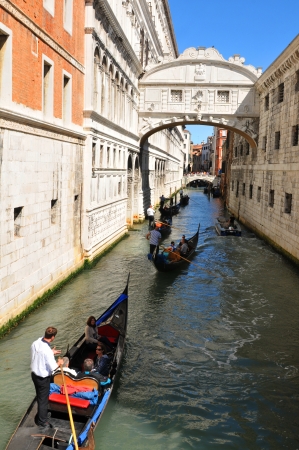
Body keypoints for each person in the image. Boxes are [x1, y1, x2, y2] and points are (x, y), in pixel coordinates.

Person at [31, 326, 62, 429]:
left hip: (34, 375)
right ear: (53, 337)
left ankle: (42, 415)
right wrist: (59, 362)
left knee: (39, 396)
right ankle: (42, 421)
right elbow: (53, 367)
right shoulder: (47, 351)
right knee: (43, 399)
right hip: (43, 378)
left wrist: (50, 352)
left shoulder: (36, 342)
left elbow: (38, 353)